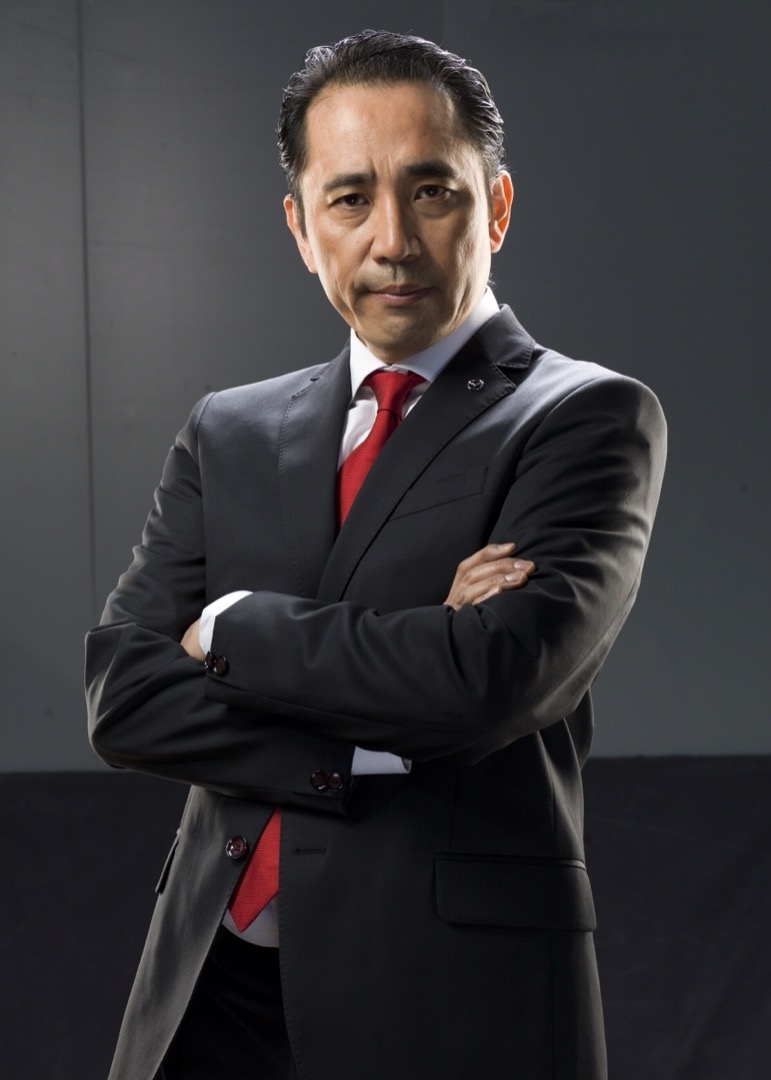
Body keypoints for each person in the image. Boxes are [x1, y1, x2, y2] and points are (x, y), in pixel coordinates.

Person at [85, 29, 666, 1080]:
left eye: (431, 191)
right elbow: (123, 695)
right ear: (302, 228)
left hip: (448, 995)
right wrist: (370, 730)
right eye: (350, 198)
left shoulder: (585, 418)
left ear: (495, 206)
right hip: (209, 988)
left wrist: (230, 628)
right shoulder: (228, 431)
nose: (393, 239)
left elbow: (490, 678)